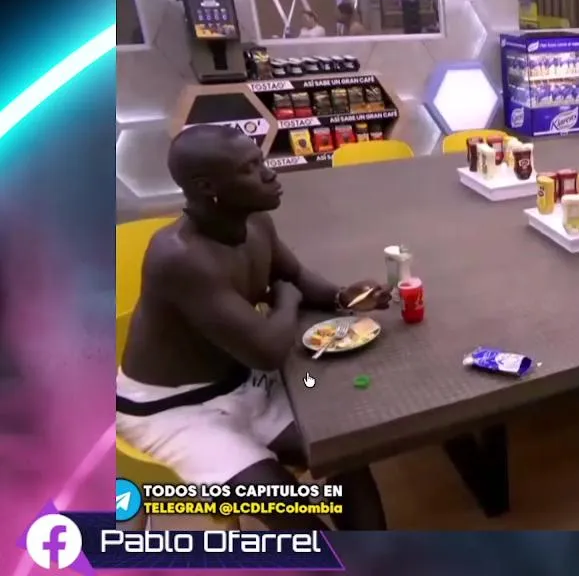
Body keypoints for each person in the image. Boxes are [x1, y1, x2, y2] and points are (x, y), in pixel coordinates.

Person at [116, 125, 392, 530]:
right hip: (173, 409)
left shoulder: (257, 222)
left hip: (243, 382)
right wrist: (288, 300)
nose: (269, 173)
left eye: (261, 161)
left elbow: (296, 276)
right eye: (250, 168)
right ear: (207, 186)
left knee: (343, 452)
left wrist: (341, 296)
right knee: (291, 510)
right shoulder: (179, 256)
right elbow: (268, 349)